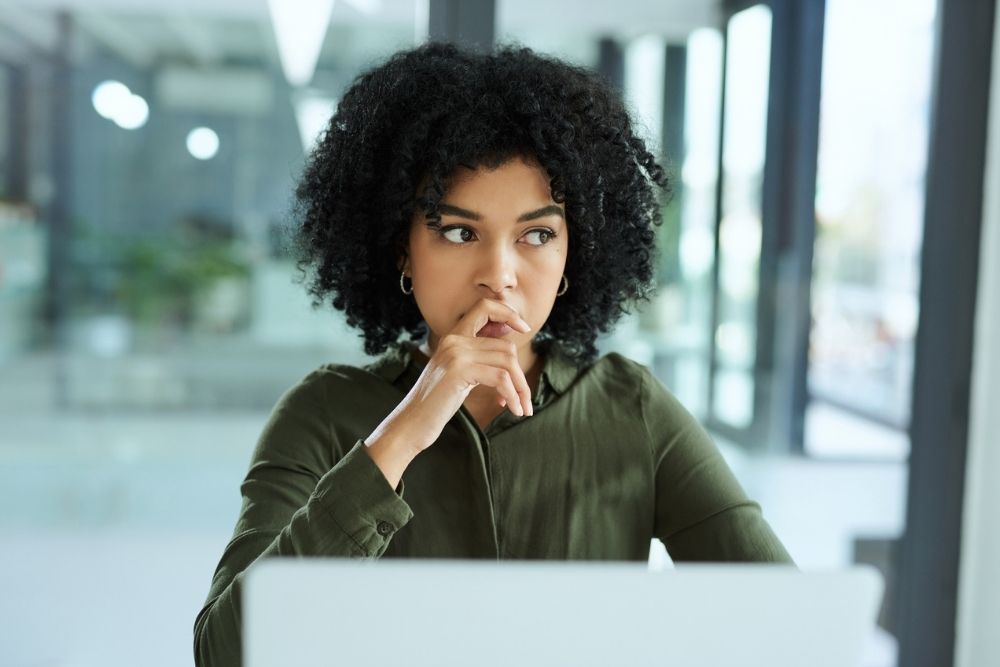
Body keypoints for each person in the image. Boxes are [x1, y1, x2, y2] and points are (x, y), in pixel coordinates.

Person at [193, 41, 793, 666]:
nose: (499, 275)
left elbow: (786, 624)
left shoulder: (632, 410)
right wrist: (400, 436)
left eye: (537, 234)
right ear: (402, 248)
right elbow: (225, 652)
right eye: (459, 232)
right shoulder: (322, 411)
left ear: (572, 256)